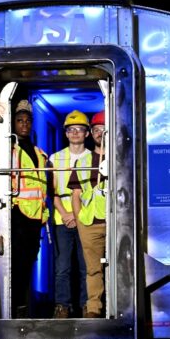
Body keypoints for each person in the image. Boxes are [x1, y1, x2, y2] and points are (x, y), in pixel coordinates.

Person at [48, 110, 93, 319]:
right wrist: (66, 214)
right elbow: (52, 192)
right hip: (62, 219)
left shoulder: (95, 158)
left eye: (80, 129)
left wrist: (79, 215)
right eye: (71, 129)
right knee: (62, 267)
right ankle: (62, 307)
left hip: (87, 219)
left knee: (87, 267)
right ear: (66, 134)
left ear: (87, 134)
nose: (75, 133)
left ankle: (87, 306)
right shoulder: (55, 159)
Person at [10, 99, 49, 319]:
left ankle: (23, 307)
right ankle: (14, 307)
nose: (24, 125)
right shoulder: (10, 148)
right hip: (17, 216)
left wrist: (44, 214)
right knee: (16, 266)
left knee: (28, 265)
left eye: (27, 121)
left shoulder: (39, 153)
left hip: (35, 219)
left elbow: (42, 187)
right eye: (19, 121)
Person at [70, 110, 107, 318]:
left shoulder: (121, 159)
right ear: (92, 134)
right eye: (96, 130)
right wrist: (79, 219)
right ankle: (94, 308)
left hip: (116, 223)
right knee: (93, 269)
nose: (100, 133)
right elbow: (76, 194)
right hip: (89, 223)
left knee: (121, 266)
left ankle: (119, 307)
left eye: (104, 129)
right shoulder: (83, 162)